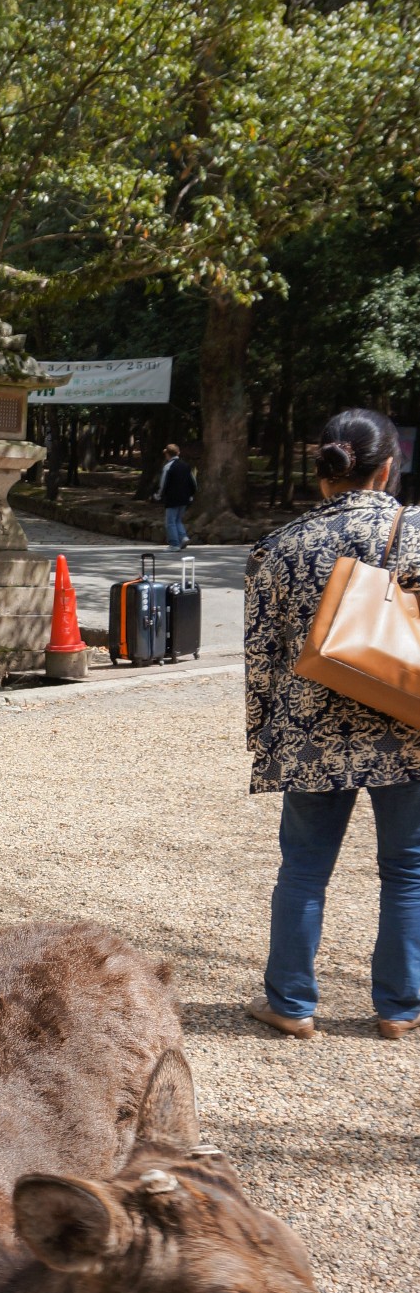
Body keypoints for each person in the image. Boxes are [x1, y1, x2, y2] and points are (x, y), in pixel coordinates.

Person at [244, 407, 420, 1040]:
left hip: (313, 731)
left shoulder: (280, 546)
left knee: (304, 868)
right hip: (410, 723)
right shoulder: (417, 531)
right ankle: (399, 1008)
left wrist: (269, 743)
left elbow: (263, 657)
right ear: (388, 468)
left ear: (324, 473)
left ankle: (290, 1004)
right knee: (409, 870)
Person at [157, 443, 197, 548]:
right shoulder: (186, 466)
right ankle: (183, 537)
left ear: (167, 455)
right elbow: (193, 482)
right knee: (178, 520)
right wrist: (191, 494)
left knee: (170, 522)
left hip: (172, 498)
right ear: (178, 453)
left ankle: (174, 544)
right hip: (185, 497)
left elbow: (163, 483)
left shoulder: (168, 467)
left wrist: (158, 495)